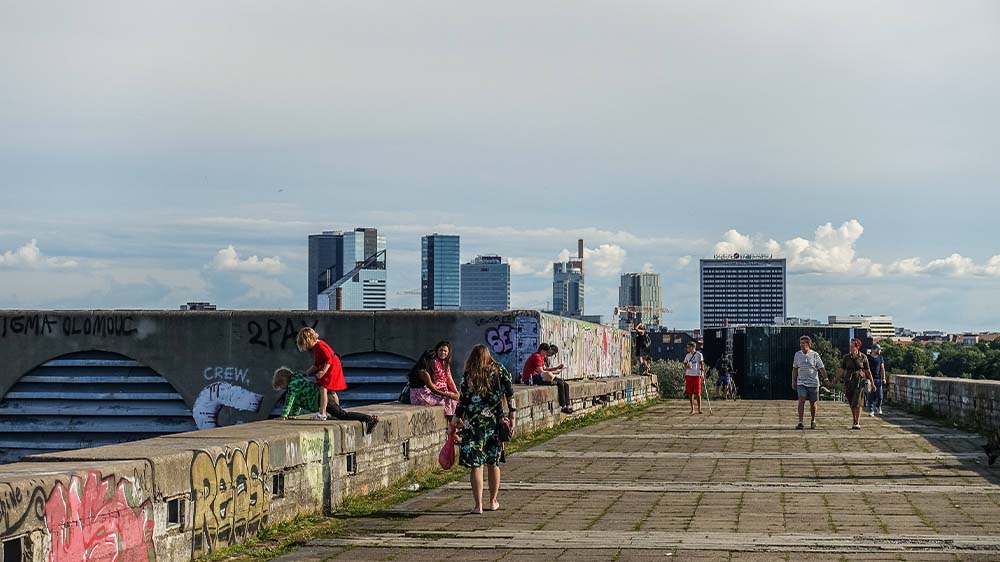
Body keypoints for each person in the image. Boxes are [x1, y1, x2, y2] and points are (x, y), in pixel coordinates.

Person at [451, 344, 516, 514]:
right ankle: (493, 501)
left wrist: (456, 419)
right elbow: (510, 394)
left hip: (473, 425)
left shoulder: (469, 374)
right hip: (494, 423)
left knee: (476, 465)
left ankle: (477, 505)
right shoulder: (500, 370)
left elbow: (462, 400)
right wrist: (513, 417)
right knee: (493, 463)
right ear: (488, 355)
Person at [296, 327, 376, 426]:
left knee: (323, 388)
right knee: (332, 390)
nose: (307, 347)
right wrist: (307, 372)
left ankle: (322, 413)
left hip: (332, 367)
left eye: (306, 345)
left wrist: (323, 372)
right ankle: (336, 411)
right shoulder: (317, 346)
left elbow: (329, 359)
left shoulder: (320, 345)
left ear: (309, 339)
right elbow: (317, 364)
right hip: (334, 365)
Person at [272, 367, 379, 433]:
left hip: (322, 399)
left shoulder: (292, 386)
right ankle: (369, 419)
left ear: (283, 382)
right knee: (339, 415)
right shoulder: (297, 380)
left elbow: (290, 400)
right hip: (323, 396)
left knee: (342, 415)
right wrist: (293, 415)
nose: (284, 389)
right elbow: (297, 402)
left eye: (282, 387)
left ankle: (368, 419)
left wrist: (284, 416)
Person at [408, 341, 460, 419]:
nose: (435, 361)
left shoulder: (430, 369)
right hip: (420, 397)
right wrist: (450, 395)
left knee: (454, 401)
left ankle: (453, 423)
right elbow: (433, 390)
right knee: (447, 401)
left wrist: (455, 394)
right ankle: (452, 423)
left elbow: (449, 380)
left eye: (445, 351)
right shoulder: (423, 372)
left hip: (425, 393)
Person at [522, 343, 574, 414]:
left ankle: (567, 406)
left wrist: (556, 368)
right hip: (530, 379)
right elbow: (541, 371)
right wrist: (555, 372)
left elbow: (545, 369)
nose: (547, 354)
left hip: (538, 377)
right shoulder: (536, 356)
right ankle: (563, 407)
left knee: (565, 384)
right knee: (559, 382)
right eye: (546, 352)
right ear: (542, 350)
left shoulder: (541, 357)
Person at [792, 335, 830, 430]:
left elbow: (821, 368)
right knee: (801, 400)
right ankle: (800, 421)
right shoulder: (797, 355)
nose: (801, 345)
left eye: (803, 343)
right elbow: (795, 368)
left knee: (813, 403)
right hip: (801, 382)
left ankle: (813, 420)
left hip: (813, 383)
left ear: (808, 344)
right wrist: (794, 380)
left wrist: (826, 379)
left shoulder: (815, 355)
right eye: (801, 343)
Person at [839, 338, 875, 430]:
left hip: (859, 381)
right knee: (851, 402)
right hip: (849, 381)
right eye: (850, 346)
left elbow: (868, 371)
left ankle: (857, 421)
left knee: (858, 401)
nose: (850, 348)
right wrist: (835, 380)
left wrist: (872, 383)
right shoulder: (846, 357)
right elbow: (841, 370)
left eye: (852, 346)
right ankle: (854, 418)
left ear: (857, 347)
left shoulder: (863, 357)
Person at [683, 342, 705, 414]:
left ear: (693, 347)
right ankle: (692, 409)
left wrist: (702, 373)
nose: (687, 348)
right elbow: (684, 364)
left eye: (688, 347)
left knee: (698, 393)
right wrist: (687, 366)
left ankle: (699, 408)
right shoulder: (687, 355)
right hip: (689, 375)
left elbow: (702, 364)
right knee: (690, 393)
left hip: (697, 375)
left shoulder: (699, 354)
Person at [867, 343, 887, 416]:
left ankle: (878, 406)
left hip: (878, 378)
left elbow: (882, 369)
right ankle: (871, 410)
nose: (879, 350)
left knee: (880, 396)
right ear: (873, 349)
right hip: (869, 379)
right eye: (878, 349)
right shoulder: (868, 358)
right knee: (870, 396)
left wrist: (884, 378)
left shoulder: (880, 357)